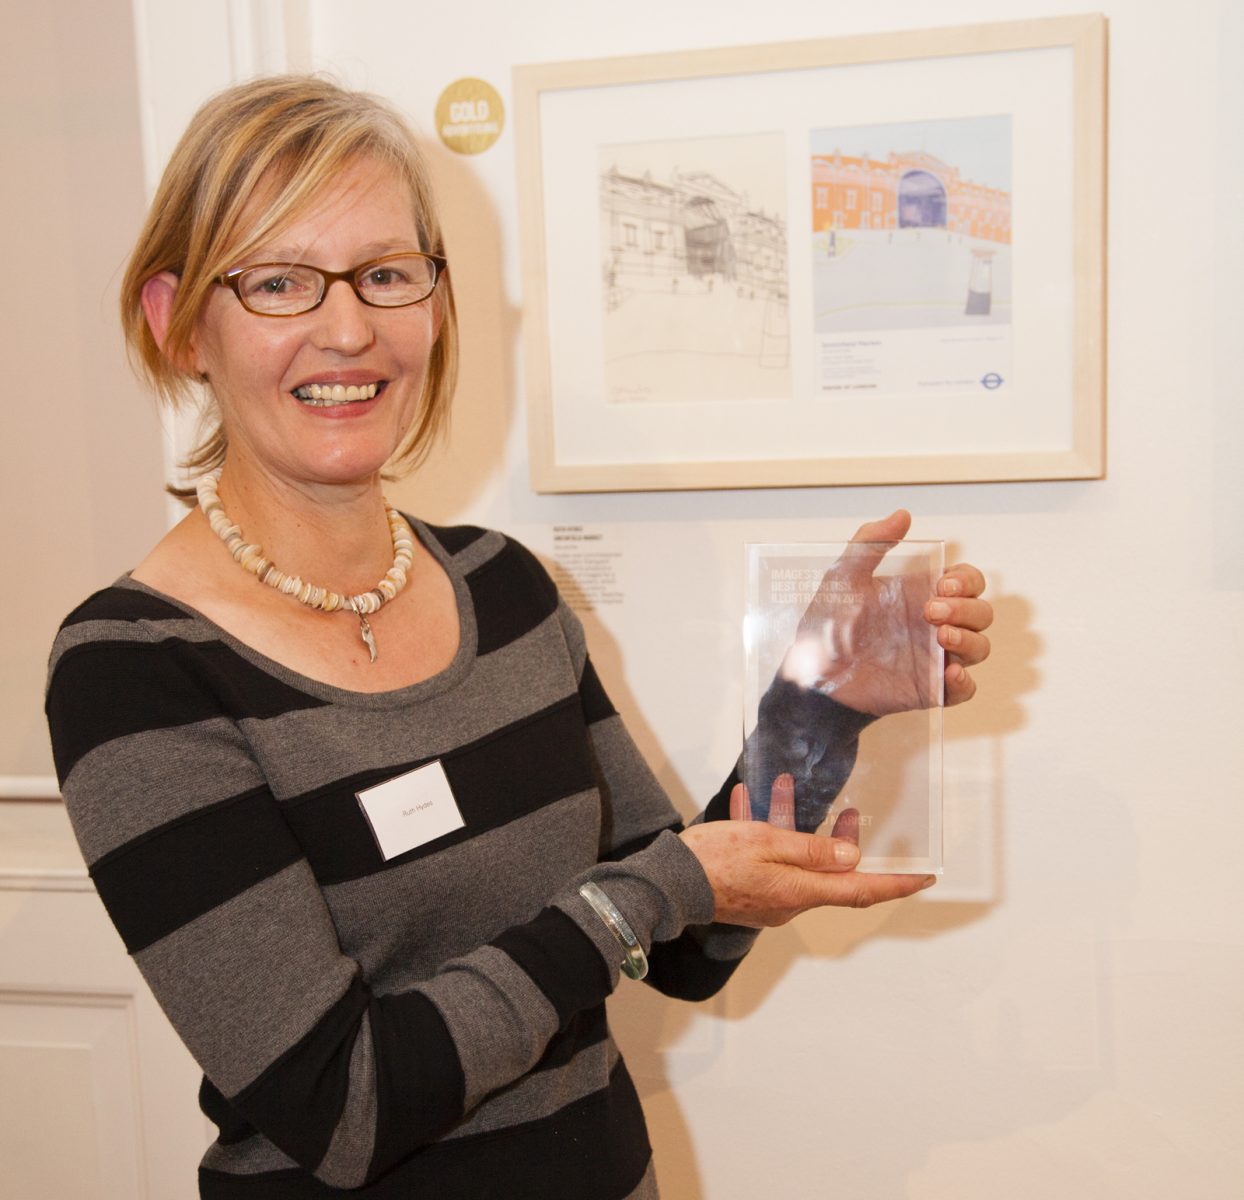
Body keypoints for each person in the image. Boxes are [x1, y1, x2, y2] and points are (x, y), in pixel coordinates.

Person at [44, 77, 993, 1199]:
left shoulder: (503, 586)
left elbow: (684, 944)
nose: (346, 328)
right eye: (280, 282)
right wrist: (652, 892)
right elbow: (341, 1109)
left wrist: (816, 706)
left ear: (434, 306)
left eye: (387, 274)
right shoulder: (135, 667)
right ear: (178, 324)